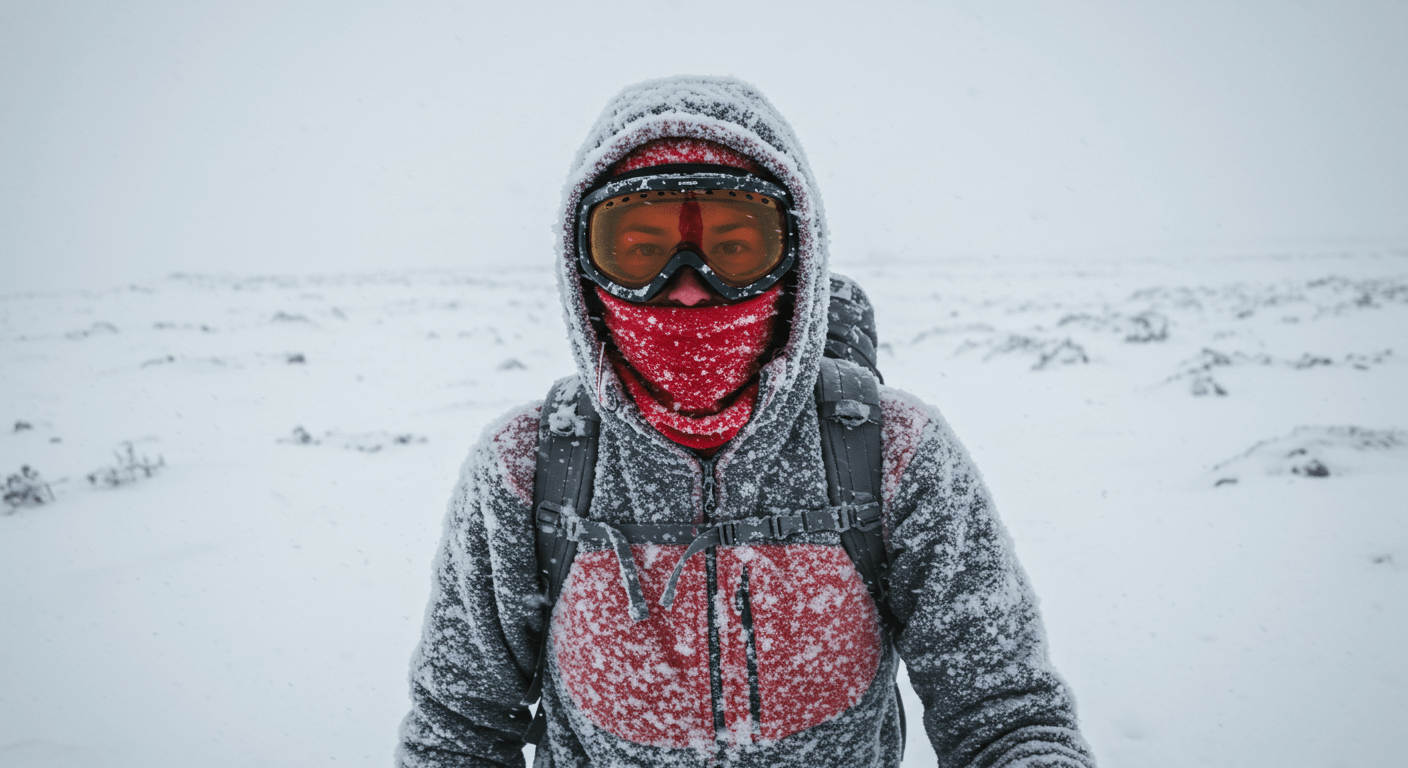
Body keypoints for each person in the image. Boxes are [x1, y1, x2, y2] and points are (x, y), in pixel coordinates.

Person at [397, 76, 1095, 768]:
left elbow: (1004, 719)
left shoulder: (892, 454)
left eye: (735, 249)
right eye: (640, 250)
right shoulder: (529, 469)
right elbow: (457, 733)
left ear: (798, 261)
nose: (691, 286)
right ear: (584, 273)